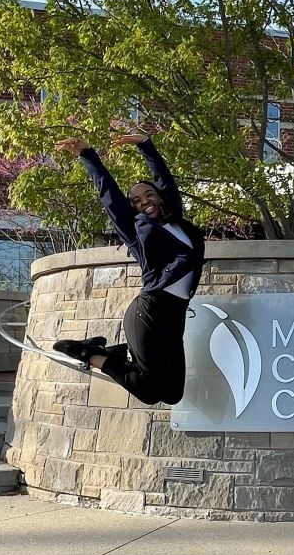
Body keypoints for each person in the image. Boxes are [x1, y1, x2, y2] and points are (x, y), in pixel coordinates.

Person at [50, 133, 205, 405]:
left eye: (149, 194)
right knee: (149, 392)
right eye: (136, 200)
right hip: (150, 312)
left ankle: (116, 353)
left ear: (160, 198)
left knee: (172, 394)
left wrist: (145, 144)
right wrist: (88, 155)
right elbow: (109, 194)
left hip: (175, 316)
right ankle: (91, 355)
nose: (144, 200)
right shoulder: (138, 231)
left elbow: (164, 179)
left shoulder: (178, 223)